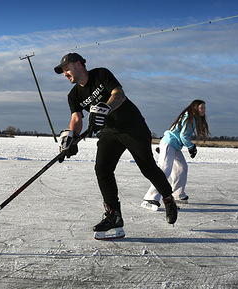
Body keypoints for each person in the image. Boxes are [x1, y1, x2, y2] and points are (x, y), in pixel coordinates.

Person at [54, 53, 178, 240]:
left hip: (132, 127)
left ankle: (168, 198)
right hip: (110, 132)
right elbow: (76, 118)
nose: (65, 74)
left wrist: (105, 108)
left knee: (147, 167)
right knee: (102, 168)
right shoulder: (74, 95)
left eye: (66, 69)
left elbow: (118, 94)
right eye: (63, 72)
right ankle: (114, 216)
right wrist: (72, 139)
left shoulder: (101, 74)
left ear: (78, 64)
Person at [142, 99, 210, 210]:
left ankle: (178, 194)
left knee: (182, 167)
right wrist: (191, 147)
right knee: (165, 171)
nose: (204, 110)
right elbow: (183, 135)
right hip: (169, 143)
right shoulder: (190, 118)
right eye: (201, 108)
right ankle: (151, 197)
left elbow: (178, 132)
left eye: (204, 108)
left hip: (174, 145)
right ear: (195, 108)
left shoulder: (191, 117)